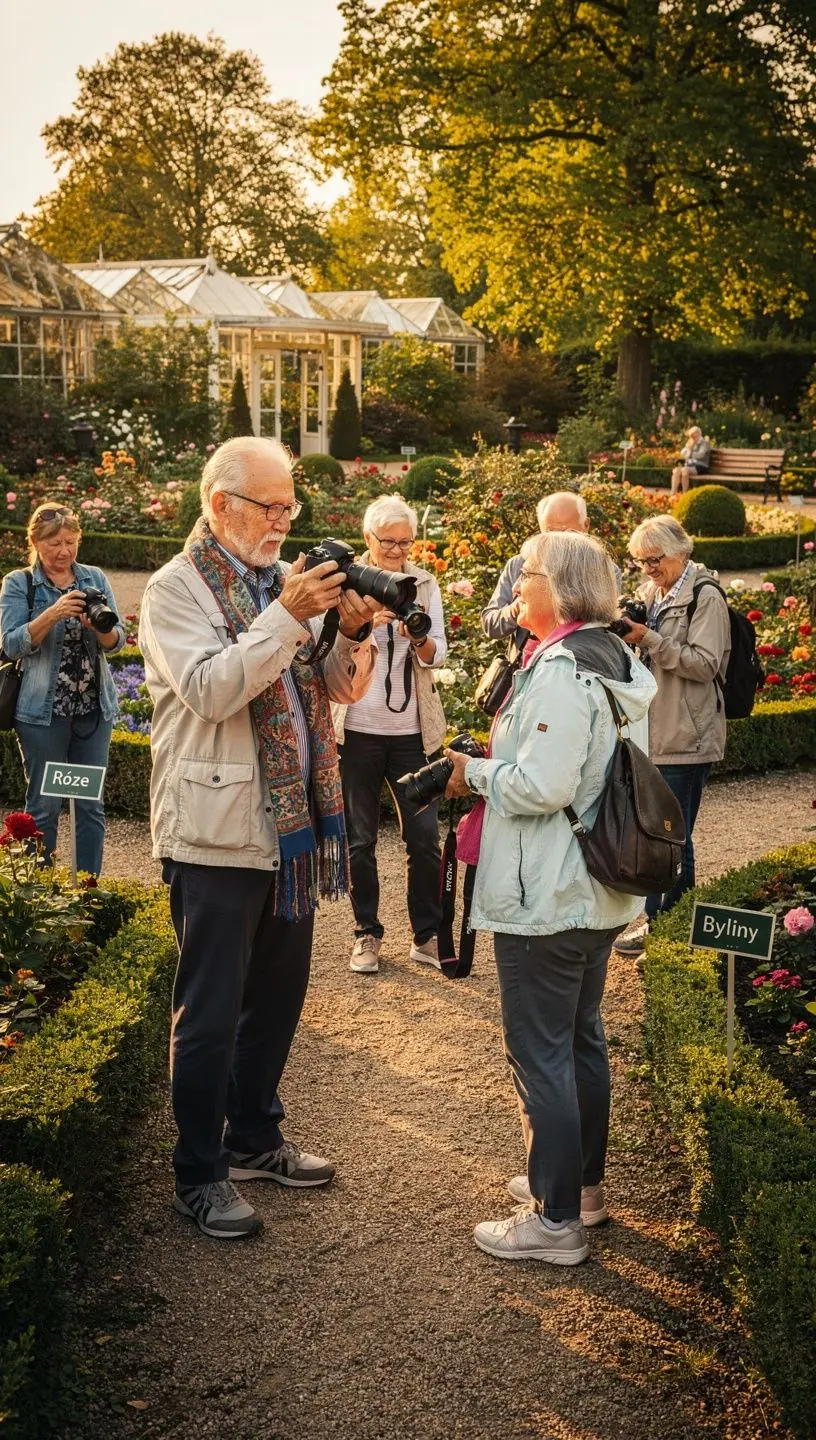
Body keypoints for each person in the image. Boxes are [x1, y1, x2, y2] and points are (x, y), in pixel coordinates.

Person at [138, 436, 379, 1241]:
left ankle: (253, 1138)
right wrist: (289, 618)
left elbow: (337, 690)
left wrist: (349, 632)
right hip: (215, 834)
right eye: (269, 507)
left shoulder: (283, 586)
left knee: (277, 1003)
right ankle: (199, 1173)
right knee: (208, 1015)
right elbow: (211, 690)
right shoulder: (176, 591)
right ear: (219, 506)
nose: (283, 521)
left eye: (290, 507)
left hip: (292, 833)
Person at [445, 531, 656, 1265]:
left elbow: (543, 786)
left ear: (561, 589)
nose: (515, 587)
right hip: (593, 888)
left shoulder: (565, 669)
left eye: (525, 575)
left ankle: (554, 1219)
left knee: (541, 1054)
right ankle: (581, 1191)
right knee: (578, 1042)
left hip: (550, 891)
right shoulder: (612, 657)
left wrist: (470, 774)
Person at [333, 494, 448, 975]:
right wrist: (361, 627)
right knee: (359, 840)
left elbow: (436, 654)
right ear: (367, 540)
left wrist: (416, 637)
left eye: (406, 541)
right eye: (389, 542)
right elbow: (327, 655)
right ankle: (367, 934)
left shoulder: (422, 582)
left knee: (423, 838)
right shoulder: (347, 583)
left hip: (411, 733)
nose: (399, 550)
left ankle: (425, 935)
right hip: (357, 729)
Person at [612, 515, 730, 957]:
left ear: (681, 551)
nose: (647, 568)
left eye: (654, 559)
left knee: (674, 837)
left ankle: (671, 933)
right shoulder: (655, 591)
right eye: (641, 561)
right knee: (658, 833)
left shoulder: (706, 596)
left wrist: (652, 638)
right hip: (654, 730)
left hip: (687, 734)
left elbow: (704, 664)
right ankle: (663, 927)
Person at [0, 502, 125, 874]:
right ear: (36, 542)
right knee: (44, 805)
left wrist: (98, 628)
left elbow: (117, 642)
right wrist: (52, 614)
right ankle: (39, 897)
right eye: (54, 543)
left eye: (71, 541)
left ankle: (87, 894)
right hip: (42, 715)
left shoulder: (94, 578)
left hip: (92, 713)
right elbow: (10, 644)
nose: (64, 551)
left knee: (90, 805)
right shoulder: (19, 583)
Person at [481, 492, 621, 648]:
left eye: (568, 533)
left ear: (586, 526)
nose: (558, 540)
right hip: (524, 665)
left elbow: (606, 627)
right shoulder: (520, 564)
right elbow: (490, 625)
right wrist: (520, 607)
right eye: (550, 532)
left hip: (578, 662)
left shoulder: (605, 570)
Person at [671, 426, 711, 496]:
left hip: (701, 466)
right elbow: (683, 453)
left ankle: (685, 494)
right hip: (689, 466)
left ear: (698, 433)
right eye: (691, 435)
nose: (692, 436)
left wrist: (689, 453)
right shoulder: (691, 443)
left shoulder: (704, 443)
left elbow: (700, 455)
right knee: (677, 470)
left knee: (684, 470)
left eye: (693, 434)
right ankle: (673, 494)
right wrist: (689, 448)